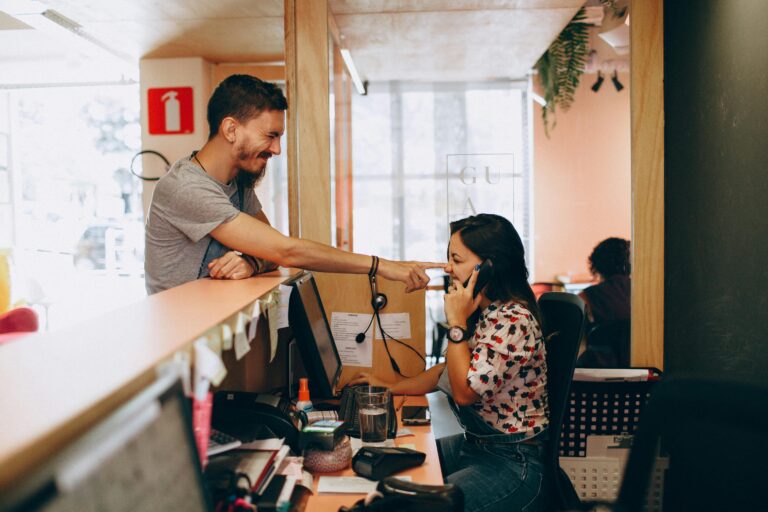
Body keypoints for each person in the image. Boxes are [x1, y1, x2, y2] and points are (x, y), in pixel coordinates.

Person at [145, 75, 440, 294]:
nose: (276, 150)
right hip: (179, 346)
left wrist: (251, 262)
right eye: (270, 136)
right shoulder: (187, 187)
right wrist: (382, 266)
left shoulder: (236, 182)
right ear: (231, 129)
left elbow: (269, 251)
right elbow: (285, 251)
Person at [350, 214, 550, 512]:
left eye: (456, 259)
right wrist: (391, 386)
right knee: (387, 481)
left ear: (488, 267)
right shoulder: (489, 312)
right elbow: (447, 370)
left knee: (416, 507)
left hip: (513, 463)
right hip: (477, 447)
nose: (447, 268)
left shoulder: (513, 321)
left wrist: (456, 322)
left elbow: (464, 391)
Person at [577, 237, 631, 368]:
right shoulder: (643, 293)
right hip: (637, 367)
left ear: (596, 264)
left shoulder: (586, 297)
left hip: (600, 371)